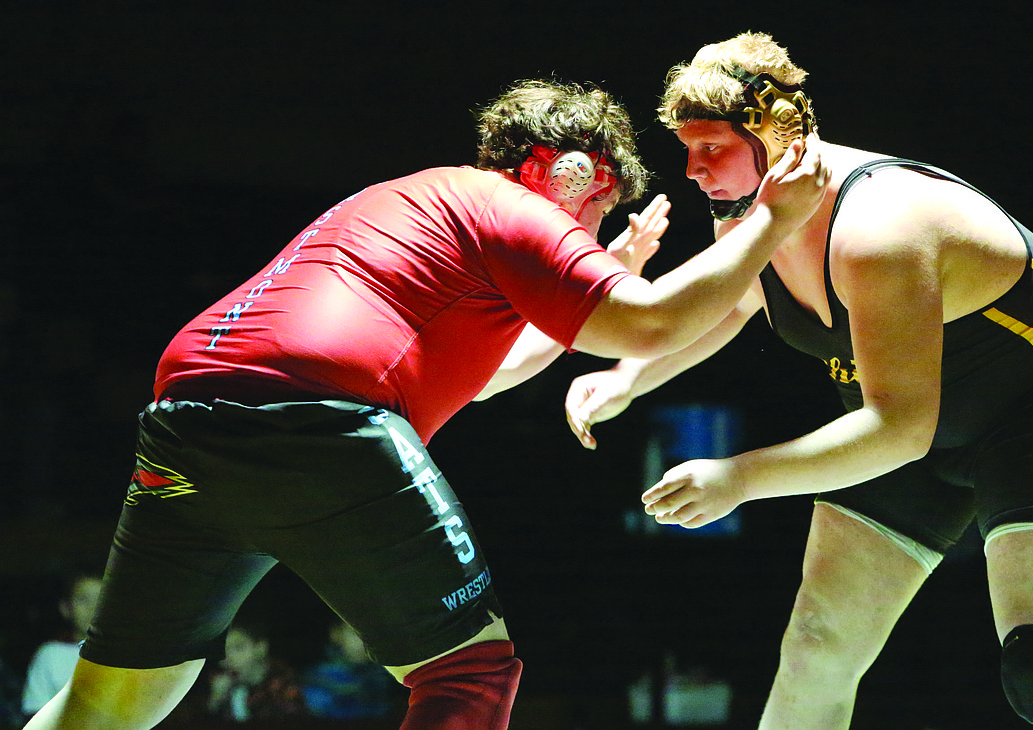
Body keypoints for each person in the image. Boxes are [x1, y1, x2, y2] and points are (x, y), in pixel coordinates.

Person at [23, 77, 828, 730]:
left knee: (113, 698)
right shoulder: (510, 206)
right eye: (595, 213)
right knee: (471, 675)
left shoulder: (414, 200)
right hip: (321, 418)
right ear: (576, 173)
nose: (587, 232)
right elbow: (650, 324)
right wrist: (771, 218)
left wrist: (589, 280)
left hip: (191, 415)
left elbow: (481, 377)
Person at [565, 32, 1033, 730]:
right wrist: (627, 378)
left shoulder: (880, 229)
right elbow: (735, 306)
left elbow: (900, 427)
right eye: (688, 148)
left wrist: (739, 477)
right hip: (897, 417)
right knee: (815, 645)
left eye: (710, 147)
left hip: (1021, 407)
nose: (691, 169)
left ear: (773, 134)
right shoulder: (752, 217)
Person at [20, 571, 103, 718]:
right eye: (83, 599)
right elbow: (35, 711)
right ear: (66, 608)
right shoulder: (50, 654)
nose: (92, 608)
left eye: (101, 600)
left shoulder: (128, 654)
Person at [204, 620, 304, 722]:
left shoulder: (282, 684)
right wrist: (215, 700)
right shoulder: (216, 681)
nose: (228, 658)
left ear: (261, 648)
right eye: (222, 651)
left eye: (238, 648)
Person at [302, 618, 397, 719]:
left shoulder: (387, 674)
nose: (364, 641)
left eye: (371, 633)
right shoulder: (317, 677)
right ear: (336, 634)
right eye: (355, 633)